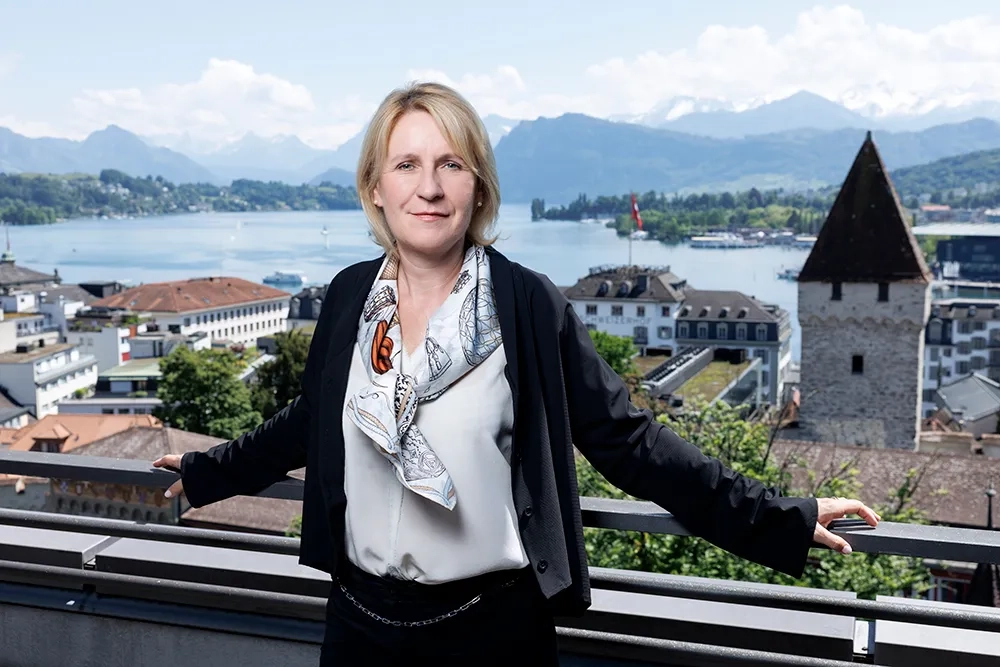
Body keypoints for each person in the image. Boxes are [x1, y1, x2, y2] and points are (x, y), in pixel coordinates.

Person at [153, 81, 880, 665]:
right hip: (358, 627)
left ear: (477, 187)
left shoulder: (526, 303)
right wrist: (208, 469)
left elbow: (630, 441)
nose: (429, 187)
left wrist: (784, 518)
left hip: (491, 634)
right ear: (375, 188)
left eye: (451, 164)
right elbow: (308, 421)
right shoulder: (349, 298)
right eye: (406, 165)